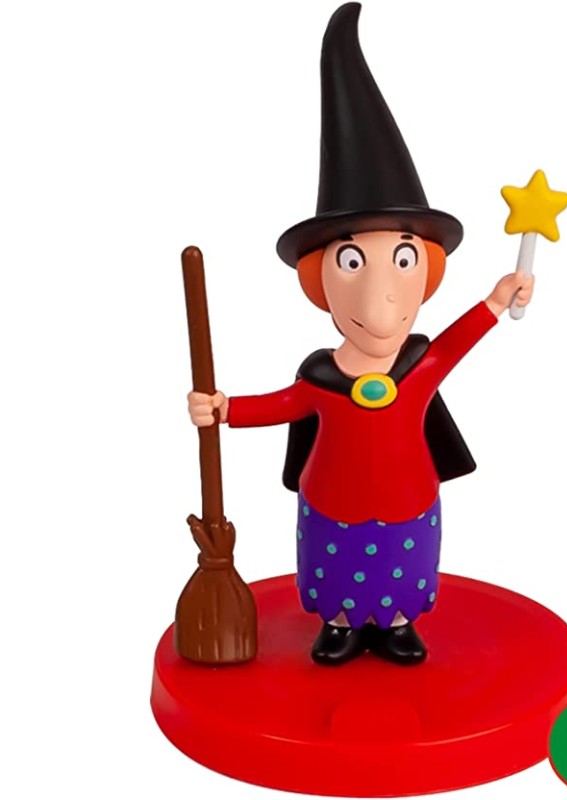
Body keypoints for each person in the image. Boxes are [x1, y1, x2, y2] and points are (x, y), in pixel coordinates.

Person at [188, 3, 534, 666]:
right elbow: (282, 405)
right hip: (332, 503)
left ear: (425, 269)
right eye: (353, 261)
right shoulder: (320, 377)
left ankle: (397, 621)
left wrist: (496, 300)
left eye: (401, 258)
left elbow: (456, 343)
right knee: (338, 565)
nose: (380, 302)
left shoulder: (420, 364)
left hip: (408, 502)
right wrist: (225, 409)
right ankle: (342, 623)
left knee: (405, 563)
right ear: (320, 277)